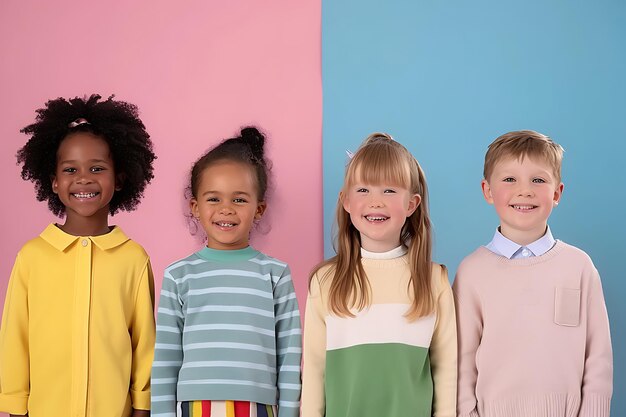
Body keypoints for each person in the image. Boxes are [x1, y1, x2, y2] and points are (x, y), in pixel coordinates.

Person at [0, 94, 157, 417]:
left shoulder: (133, 259)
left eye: (97, 168)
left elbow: (145, 344)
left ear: (120, 178)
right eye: (70, 169)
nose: (84, 178)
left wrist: (143, 407)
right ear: (54, 182)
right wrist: (15, 407)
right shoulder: (32, 257)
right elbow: (15, 339)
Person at [454, 130, 613, 417]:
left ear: (556, 193)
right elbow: (461, 365)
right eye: (509, 179)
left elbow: (598, 360)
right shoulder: (472, 273)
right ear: (487, 191)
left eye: (538, 180)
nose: (524, 190)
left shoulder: (579, 266)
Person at [301, 133, 457, 417]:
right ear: (346, 201)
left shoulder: (434, 280)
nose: (376, 201)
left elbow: (446, 371)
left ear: (411, 204)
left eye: (389, 190)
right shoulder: (325, 280)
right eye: (363, 190)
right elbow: (313, 370)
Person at [151, 127, 302, 417]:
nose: (226, 209)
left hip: (258, 408)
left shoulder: (275, 274)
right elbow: (166, 360)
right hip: (195, 408)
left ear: (259, 209)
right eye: (213, 199)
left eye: (239, 199)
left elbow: (290, 357)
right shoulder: (178, 275)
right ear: (195, 207)